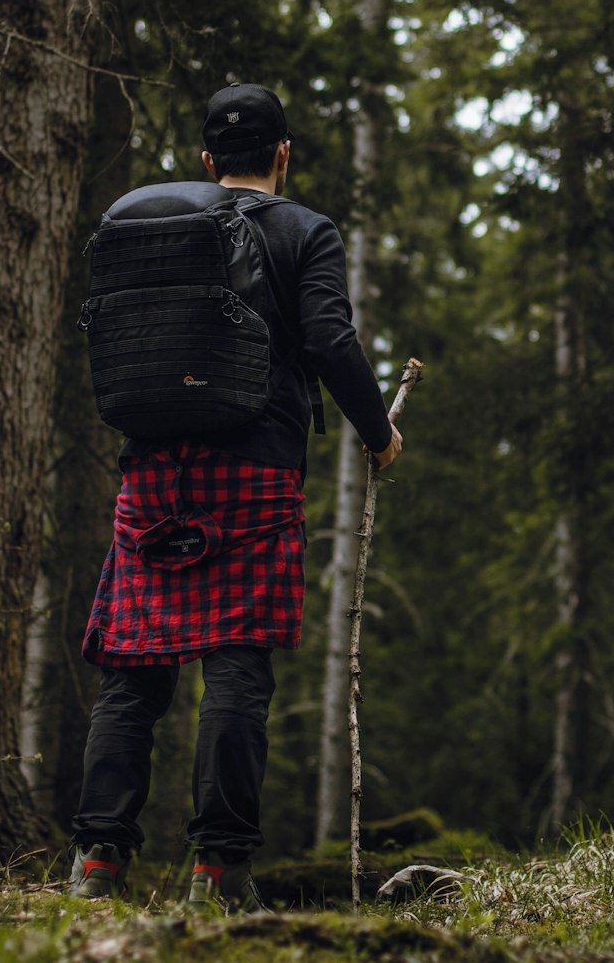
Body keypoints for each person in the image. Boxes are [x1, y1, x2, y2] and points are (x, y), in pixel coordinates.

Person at [68, 82, 402, 910]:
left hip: (150, 465)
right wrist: (378, 432)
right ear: (283, 154)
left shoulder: (157, 225)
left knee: (133, 672)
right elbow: (328, 336)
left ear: (209, 161)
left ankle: (97, 863)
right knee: (237, 667)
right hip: (253, 467)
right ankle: (218, 872)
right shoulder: (304, 230)